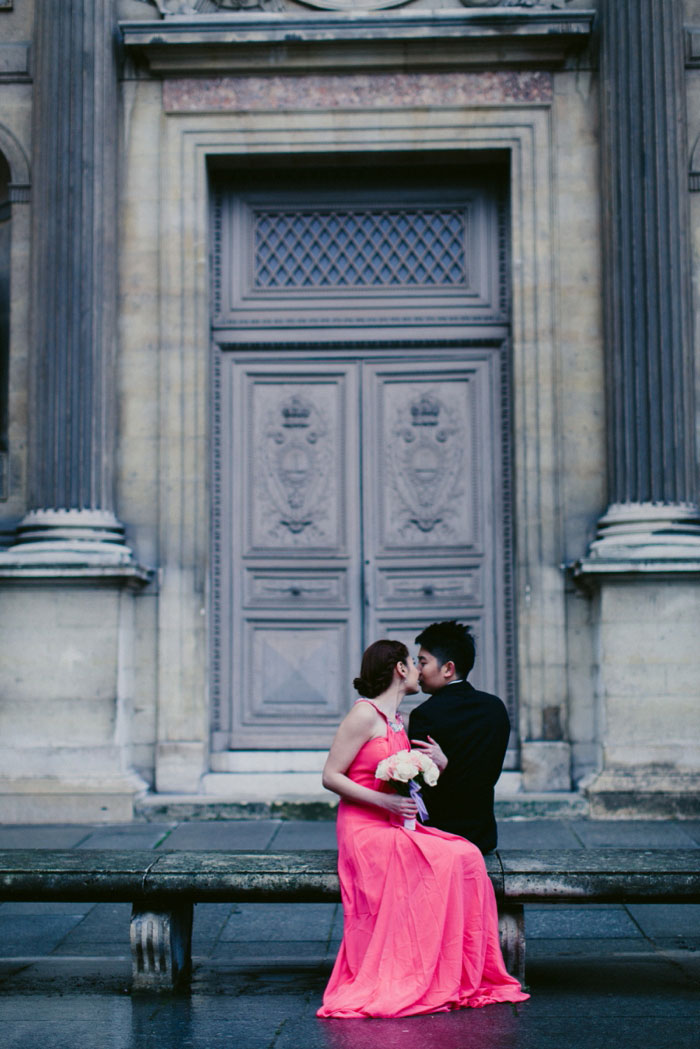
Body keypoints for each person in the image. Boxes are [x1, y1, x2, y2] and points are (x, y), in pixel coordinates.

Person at [317, 638, 528, 1019]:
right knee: (446, 860)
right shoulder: (364, 716)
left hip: (392, 822)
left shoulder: (397, 721)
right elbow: (330, 777)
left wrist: (439, 767)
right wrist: (384, 802)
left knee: (465, 854)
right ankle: (416, 967)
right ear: (399, 669)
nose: (419, 668)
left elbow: (405, 783)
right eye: (413, 662)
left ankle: (451, 968)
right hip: (365, 829)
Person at [408, 620, 511, 854]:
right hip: (481, 835)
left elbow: (421, 787)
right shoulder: (494, 708)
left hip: (438, 836)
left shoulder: (425, 715)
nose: (418, 671)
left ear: (448, 668)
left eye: (423, 662)